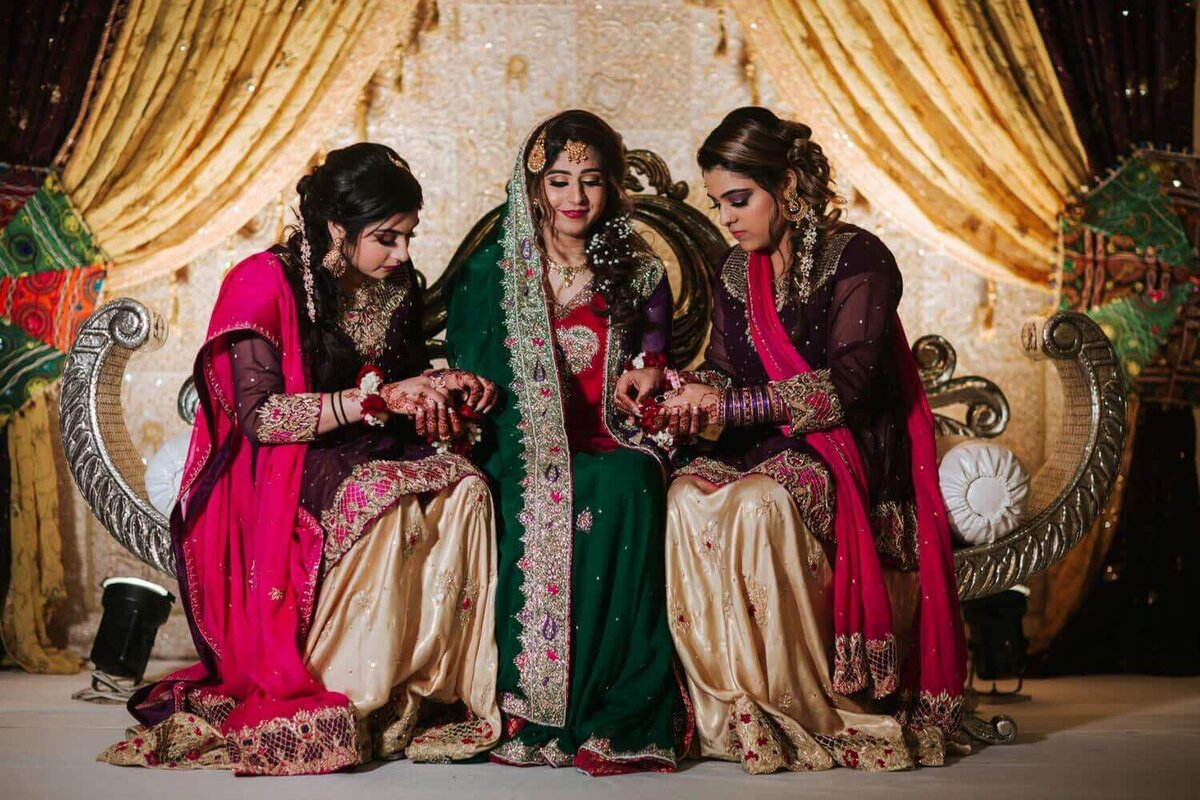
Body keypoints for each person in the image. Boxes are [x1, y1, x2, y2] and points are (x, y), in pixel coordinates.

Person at [100, 143, 501, 775]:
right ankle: (355, 692)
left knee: (466, 487)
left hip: (367, 442)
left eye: (407, 238)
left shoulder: (391, 283)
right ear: (337, 228)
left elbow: (401, 377)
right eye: (386, 238)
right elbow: (261, 418)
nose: (401, 256)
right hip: (284, 460)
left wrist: (446, 386)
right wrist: (370, 402)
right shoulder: (262, 282)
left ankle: (421, 689)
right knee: (382, 496)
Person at [659, 107, 968, 773]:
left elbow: (847, 387)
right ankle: (734, 705)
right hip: (765, 441)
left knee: (758, 505)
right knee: (683, 494)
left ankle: (800, 700)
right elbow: (726, 368)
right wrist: (685, 390)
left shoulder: (858, 257)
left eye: (739, 200)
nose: (728, 220)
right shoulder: (736, 271)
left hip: (849, 448)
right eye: (718, 205)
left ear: (790, 183)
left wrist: (729, 403)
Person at [445, 111, 691, 775]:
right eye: (559, 181)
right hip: (519, 444)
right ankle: (531, 705)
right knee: (542, 486)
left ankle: (604, 705)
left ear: (612, 187)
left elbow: (657, 363)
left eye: (591, 181)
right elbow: (470, 369)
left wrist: (650, 372)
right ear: (534, 189)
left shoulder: (639, 275)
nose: (575, 198)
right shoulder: (495, 274)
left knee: (629, 483)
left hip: (613, 442)